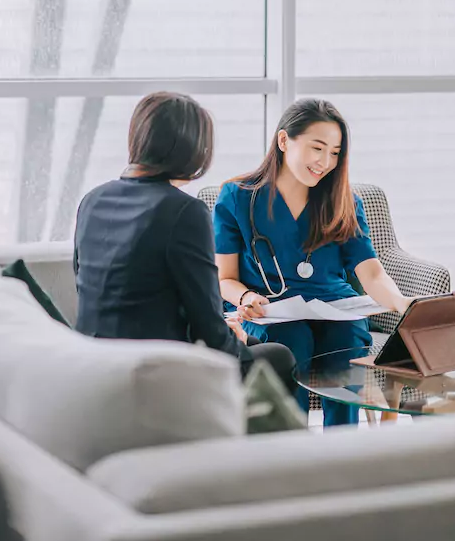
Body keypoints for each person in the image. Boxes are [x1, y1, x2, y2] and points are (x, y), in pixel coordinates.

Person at [73, 92, 298, 395]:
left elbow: (102, 291)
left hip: (95, 359)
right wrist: (233, 341)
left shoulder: (93, 200)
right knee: (279, 357)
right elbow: (207, 322)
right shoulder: (183, 211)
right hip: (157, 366)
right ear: (193, 149)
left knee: (255, 344)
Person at [213, 98, 412, 426]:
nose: (325, 162)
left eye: (334, 152)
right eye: (317, 148)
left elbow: (371, 272)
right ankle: (289, 448)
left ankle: (340, 449)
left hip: (336, 308)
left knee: (346, 341)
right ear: (283, 141)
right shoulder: (237, 197)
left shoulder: (344, 201)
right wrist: (246, 298)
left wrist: (402, 304)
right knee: (292, 342)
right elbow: (226, 279)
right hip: (271, 312)